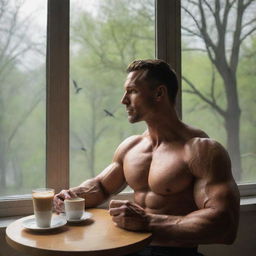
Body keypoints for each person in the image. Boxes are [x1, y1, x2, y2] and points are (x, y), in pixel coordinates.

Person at [54, 59, 240, 256]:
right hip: (128, 248)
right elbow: (101, 186)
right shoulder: (131, 147)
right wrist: (73, 195)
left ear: (159, 93)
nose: (123, 100)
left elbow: (225, 225)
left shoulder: (201, 150)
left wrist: (148, 221)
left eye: (132, 91)